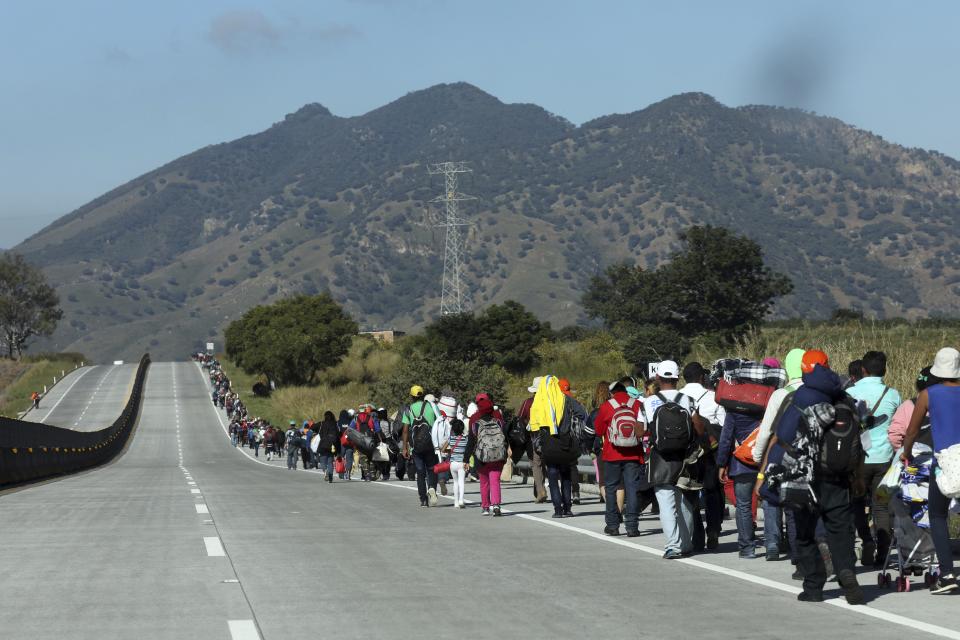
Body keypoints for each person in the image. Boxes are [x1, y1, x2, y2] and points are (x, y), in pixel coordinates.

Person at [758, 350, 865, 604]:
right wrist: (857, 477)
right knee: (840, 531)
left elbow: (781, 438)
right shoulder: (844, 397)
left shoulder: (799, 398)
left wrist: (765, 474)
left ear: (804, 370)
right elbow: (859, 443)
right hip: (838, 477)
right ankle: (847, 571)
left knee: (805, 533)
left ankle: (813, 587)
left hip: (804, 478)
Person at [900, 347, 960, 595]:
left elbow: (912, 430)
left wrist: (907, 452)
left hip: (945, 463)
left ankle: (946, 574)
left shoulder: (927, 394)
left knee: (937, 515)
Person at [642, 361, 704, 559]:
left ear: (658, 379)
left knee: (666, 504)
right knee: (685, 503)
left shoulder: (648, 402)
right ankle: (686, 544)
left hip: (660, 458)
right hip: (686, 459)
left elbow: (638, 431)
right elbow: (699, 428)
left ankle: (673, 546)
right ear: (678, 379)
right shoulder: (687, 400)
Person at [846, 350, 901, 568]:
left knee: (857, 504)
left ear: (862, 369)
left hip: (858, 461)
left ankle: (866, 541)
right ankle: (884, 552)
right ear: (885, 370)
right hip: (884, 459)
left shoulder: (849, 392)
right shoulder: (893, 394)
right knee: (881, 506)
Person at [679, 362, 726, 550]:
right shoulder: (713, 396)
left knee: (690, 492)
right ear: (701, 377)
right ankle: (713, 529)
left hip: (687, 452)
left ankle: (697, 536)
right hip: (709, 451)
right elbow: (723, 426)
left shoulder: (678, 396)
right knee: (712, 490)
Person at [592, 376, 644, 537]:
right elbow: (645, 429)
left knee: (611, 489)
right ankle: (632, 526)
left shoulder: (607, 406)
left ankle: (613, 525)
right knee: (632, 489)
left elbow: (599, 431)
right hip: (634, 453)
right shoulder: (637, 404)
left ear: (612, 393)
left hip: (612, 453)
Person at [465, 393, 508, 516]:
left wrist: (466, 459)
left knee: (484, 482)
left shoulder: (474, 419)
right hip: (498, 455)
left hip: (481, 457)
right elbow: (505, 437)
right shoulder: (498, 417)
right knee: (495, 480)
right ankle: (496, 505)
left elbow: (471, 441)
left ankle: (485, 506)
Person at [402, 385, 441, 507]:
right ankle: (432, 488)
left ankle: (423, 499)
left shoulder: (408, 410)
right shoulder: (431, 406)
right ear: (423, 395)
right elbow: (439, 423)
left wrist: (405, 447)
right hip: (431, 445)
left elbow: (405, 430)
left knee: (420, 472)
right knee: (431, 469)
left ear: (412, 397)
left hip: (416, 447)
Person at [888, 366, 937, 451]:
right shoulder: (948, 405)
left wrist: (903, 452)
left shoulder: (907, 406)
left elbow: (894, 436)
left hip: (913, 458)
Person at [518, 379, 547, 502]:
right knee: (543, 464)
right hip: (549, 437)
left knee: (536, 464)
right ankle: (540, 490)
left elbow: (520, 419)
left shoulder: (529, 402)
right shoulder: (549, 402)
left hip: (533, 436)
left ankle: (540, 490)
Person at [559, 378, 582, 504]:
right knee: (573, 466)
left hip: (563, 439)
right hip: (576, 440)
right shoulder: (575, 402)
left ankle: (565, 495)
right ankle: (576, 493)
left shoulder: (558, 404)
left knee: (563, 467)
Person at [433, 396, 458, 496]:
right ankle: (444, 479)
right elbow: (451, 434)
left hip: (438, 446)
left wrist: (435, 445)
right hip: (447, 445)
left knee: (439, 463)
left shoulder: (437, 421)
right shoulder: (449, 422)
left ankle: (440, 479)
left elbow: (434, 433)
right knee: (447, 463)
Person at [446, 419, 470, 508]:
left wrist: (452, 451)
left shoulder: (451, 438)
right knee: (461, 482)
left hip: (453, 464)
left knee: (455, 482)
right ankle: (461, 500)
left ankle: (455, 502)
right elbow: (468, 449)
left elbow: (445, 449)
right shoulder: (465, 438)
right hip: (462, 463)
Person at [351, 406, 378, 482]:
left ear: (359, 410)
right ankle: (373, 474)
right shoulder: (370, 417)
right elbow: (375, 428)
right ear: (365, 410)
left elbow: (350, 429)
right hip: (370, 440)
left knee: (363, 458)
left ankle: (367, 475)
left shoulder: (355, 419)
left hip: (360, 441)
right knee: (371, 457)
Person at [317, 411, 340, 483]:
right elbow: (337, 435)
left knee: (323, 460)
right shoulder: (335, 424)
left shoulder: (322, 424)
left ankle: (326, 472)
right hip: (332, 446)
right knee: (330, 461)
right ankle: (330, 476)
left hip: (323, 445)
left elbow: (320, 434)